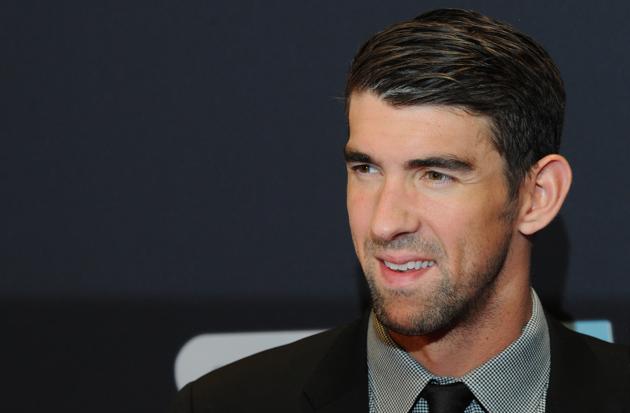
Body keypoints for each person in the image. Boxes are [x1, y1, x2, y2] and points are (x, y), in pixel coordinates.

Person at [174, 9, 630, 412]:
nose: (385, 222)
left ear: (537, 195)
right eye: (367, 168)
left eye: (436, 175)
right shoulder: (224, 404)